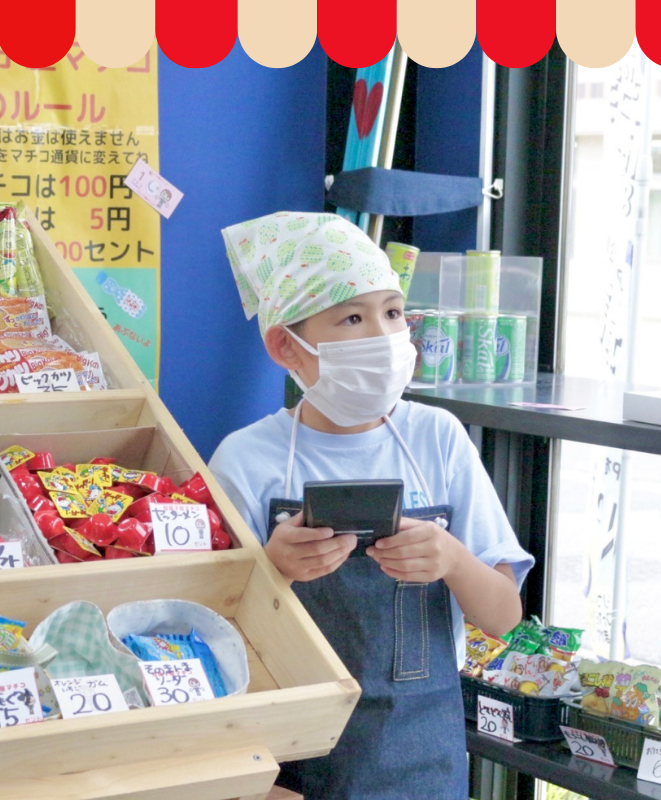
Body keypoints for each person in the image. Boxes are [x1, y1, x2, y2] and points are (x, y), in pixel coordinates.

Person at [209, 212, 534, 800]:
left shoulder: (438, 438)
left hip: (424, 760)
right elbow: (210, 631)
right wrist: (272, 569)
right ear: (286, 345)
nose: (383, 336)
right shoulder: (245, 459)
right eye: (353, 317)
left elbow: (504, 616)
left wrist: (452, 559)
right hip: (289, 760)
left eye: (392, 313)